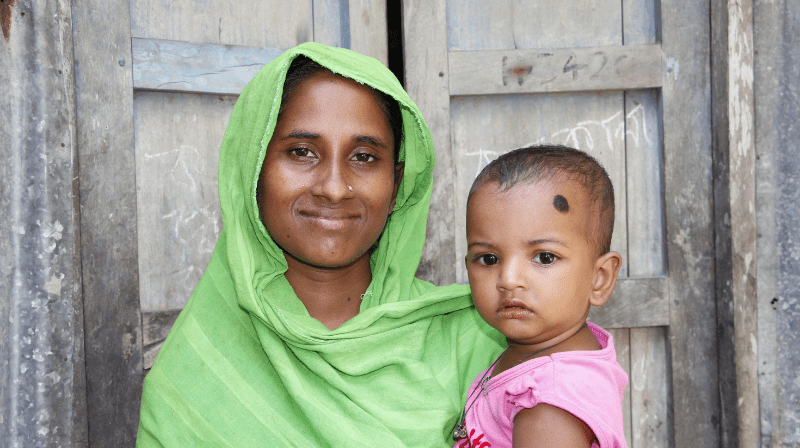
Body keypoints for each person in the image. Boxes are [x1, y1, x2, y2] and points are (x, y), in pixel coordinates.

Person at [136, 42, 503, 447]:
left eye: (363, 157)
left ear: (397, 183)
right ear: (252, 171)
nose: (333, 187)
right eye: (301, 152)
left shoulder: (482, 342)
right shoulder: (192, 381)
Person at [453, 145, 628, 448]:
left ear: (599, 278)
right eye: (489, 259)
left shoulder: (549, 405)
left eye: (544, 258)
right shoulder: (544, 351)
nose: (509, 280)